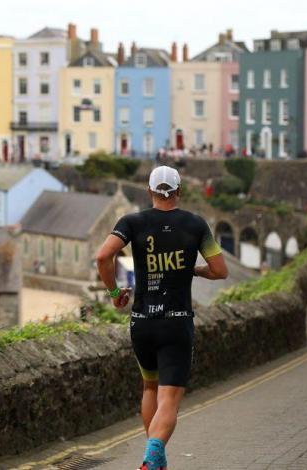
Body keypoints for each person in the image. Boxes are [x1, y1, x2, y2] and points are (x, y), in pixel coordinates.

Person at [95, 166, 228, 470]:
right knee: (169, 398)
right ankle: (152, 457)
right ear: (179, 191)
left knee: (149, 388)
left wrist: (114, 292)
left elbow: (103, 256)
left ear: (150, 191)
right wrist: (193, 269)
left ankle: (155, 458)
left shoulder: (132, 222)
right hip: (176, 321)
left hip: (141, 321)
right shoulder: (196, 225)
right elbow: (221, 270)